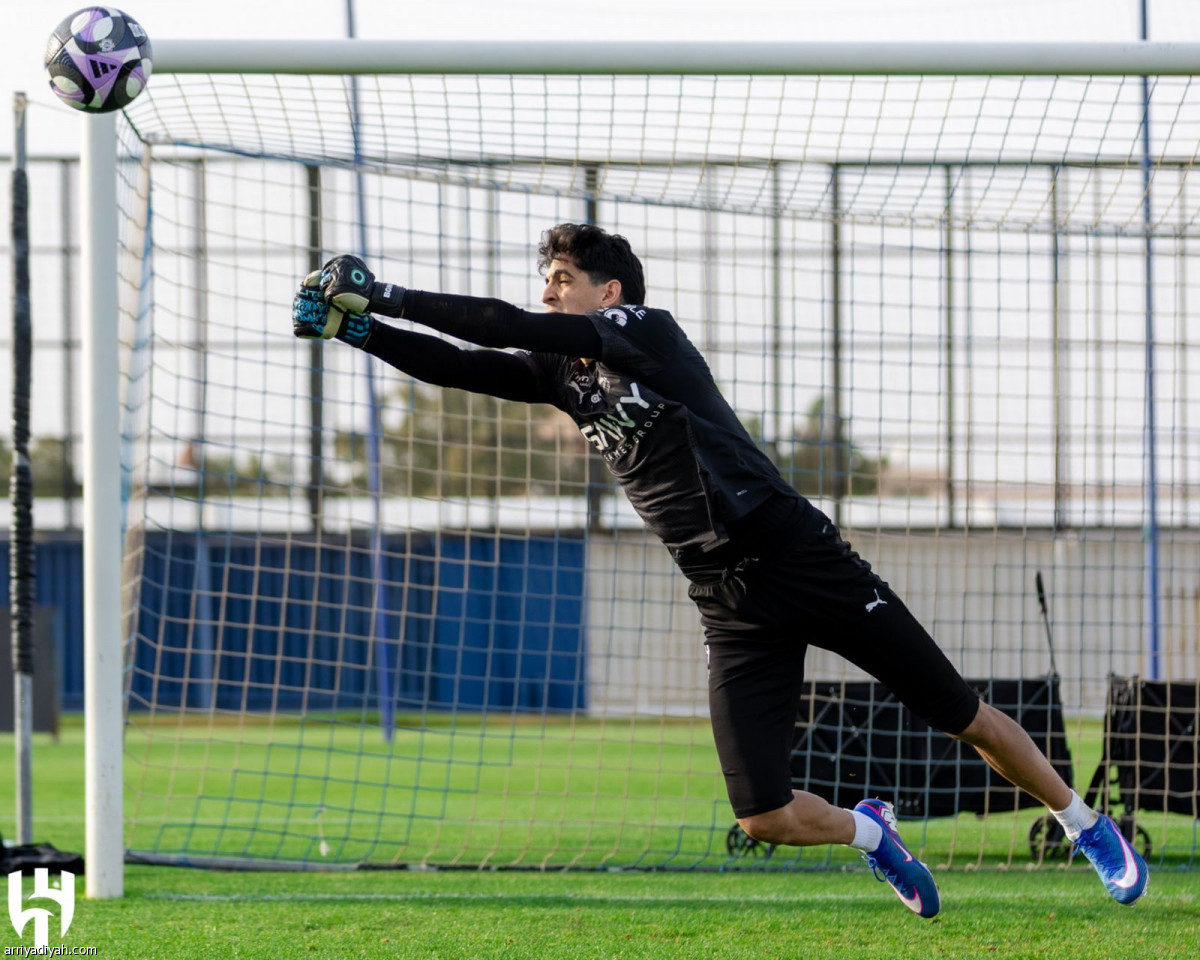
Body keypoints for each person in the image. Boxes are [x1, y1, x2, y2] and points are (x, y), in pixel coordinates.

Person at [292, 223, 1148, 917]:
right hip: (725, 598)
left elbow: (509, 326)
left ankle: (1083, 825)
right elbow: (467, 364)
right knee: (763, 815)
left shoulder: (648, 334)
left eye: (560, 275)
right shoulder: (565, 375)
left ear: (608, 292)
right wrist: (359, 329)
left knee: (960, 713)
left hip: (798, 554)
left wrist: (390, 293)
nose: (547, 288)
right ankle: (872, 834)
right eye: (546, 275)